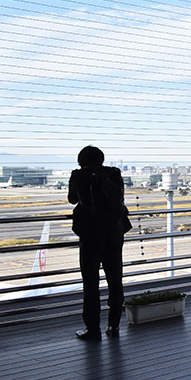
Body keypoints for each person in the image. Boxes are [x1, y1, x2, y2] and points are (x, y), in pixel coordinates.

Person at [69, 145, 130, 341]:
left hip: (91, 233)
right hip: (114, 232)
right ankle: (114, 325)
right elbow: (119, 198)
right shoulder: (114, 173)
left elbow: (72, 199)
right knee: (115, 280)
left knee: (91, 283)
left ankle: (93, 329)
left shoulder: (79, 176)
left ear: (81, 160)